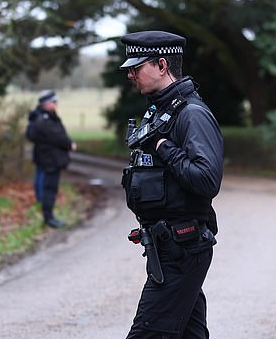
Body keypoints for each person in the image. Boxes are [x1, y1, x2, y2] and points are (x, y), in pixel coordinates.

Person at [120, 30, 223, 339]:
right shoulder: (163, 111)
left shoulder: (191, 114)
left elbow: (207, 180)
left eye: (137, 67)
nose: (130, 74)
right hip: (168, 246)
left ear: (162, 65)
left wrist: (164, 146)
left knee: (147, 334)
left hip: (183, 247)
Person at [26, 90, 76, 228]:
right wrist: (69, 143)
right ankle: (49, 218)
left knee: (48, 187)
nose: (55, 105)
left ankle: (48, 215)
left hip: (48, 158)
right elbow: (57, 136)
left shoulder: (41, 117)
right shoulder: (44, 120)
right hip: (50, 160)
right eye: (53, 102)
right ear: (46, 103)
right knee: (49, 189)